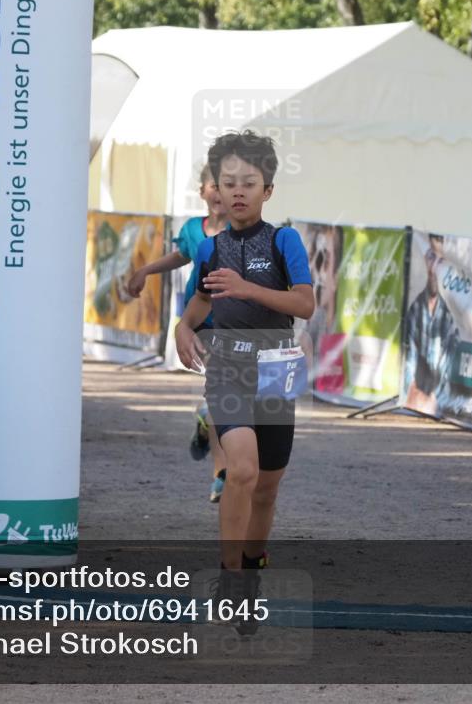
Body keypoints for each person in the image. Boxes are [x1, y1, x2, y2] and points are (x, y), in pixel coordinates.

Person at [175, 131, 314, 635]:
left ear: (267, 190)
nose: (237, 191)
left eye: (249, 183)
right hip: (228, 369)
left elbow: (305, 305)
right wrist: (182, 329)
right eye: (228, 182)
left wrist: (248, 288)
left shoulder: (283, 241)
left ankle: (251, 573)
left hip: (275, 370)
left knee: (267, 489)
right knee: (242, 472)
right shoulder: (209, 250)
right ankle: (231, 579)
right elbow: (199, 303)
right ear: (216, 187)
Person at [127, 165, 230, 503]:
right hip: (201, 319)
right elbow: (180, 256)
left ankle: (205, 419)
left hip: (236, 320)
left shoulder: (243, 232)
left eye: (225, 186)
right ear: (202, 191)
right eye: (213, 185)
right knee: (220, 394)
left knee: (225, 396)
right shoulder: (192, 230)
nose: (219, 192)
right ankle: (220, 473)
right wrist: (145, 270)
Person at [402, 234, 460, 416]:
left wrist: (432, 400)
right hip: (415, 402)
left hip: (437, 406)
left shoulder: (453, 317)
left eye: (441, 261)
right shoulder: (416, 309)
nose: (434, 267)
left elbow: (447, 382)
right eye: (431, 257)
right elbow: (408, 365)